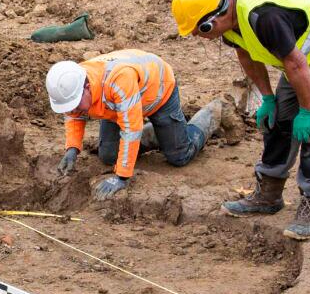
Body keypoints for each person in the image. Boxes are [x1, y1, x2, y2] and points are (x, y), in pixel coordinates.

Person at [171, 0, 310, 240]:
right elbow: (247, 54)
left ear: (213, 19)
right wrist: (268, 98)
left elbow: (295, 63)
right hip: (301, 63)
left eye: (199, 31)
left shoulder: (263, 17)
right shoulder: (231, 22)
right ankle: (268, 195)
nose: (199, 37)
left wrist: (309, 111)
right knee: (278, 123)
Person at [46, 49, 222, 200]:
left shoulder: (118, 80)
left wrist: (121, 177)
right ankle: (159, 132)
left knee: (180, 156)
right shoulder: (73, 82)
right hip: (118, 106)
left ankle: (212, 113)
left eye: (75, 104)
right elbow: (73, 115)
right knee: (108, 156)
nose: (73, 110)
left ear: (86, 87)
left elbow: (131, 129)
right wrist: (72, 149)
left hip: (158, 92)